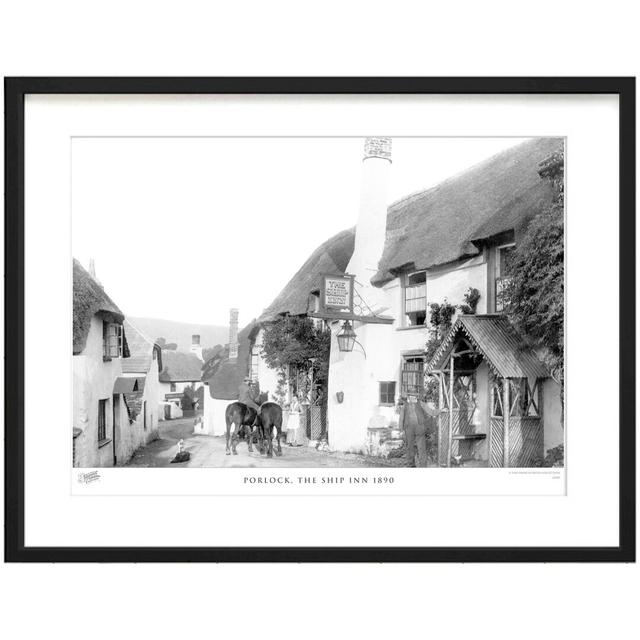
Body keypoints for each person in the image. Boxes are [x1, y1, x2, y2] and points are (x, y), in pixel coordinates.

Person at [399, 394, 430, 467]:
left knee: (421, 447)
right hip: (408, 428)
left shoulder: (421, 404)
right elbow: (401, 418)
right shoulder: (405, 406)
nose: (412, 398)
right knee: (409, 447)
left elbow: (430, 411)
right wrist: (401, 429)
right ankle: (411, 465)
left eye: (414, 396)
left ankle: (423, 466)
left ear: (416, 397)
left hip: (419, 428)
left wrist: (440, 411)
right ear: (409, 397)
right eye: (410, 396)